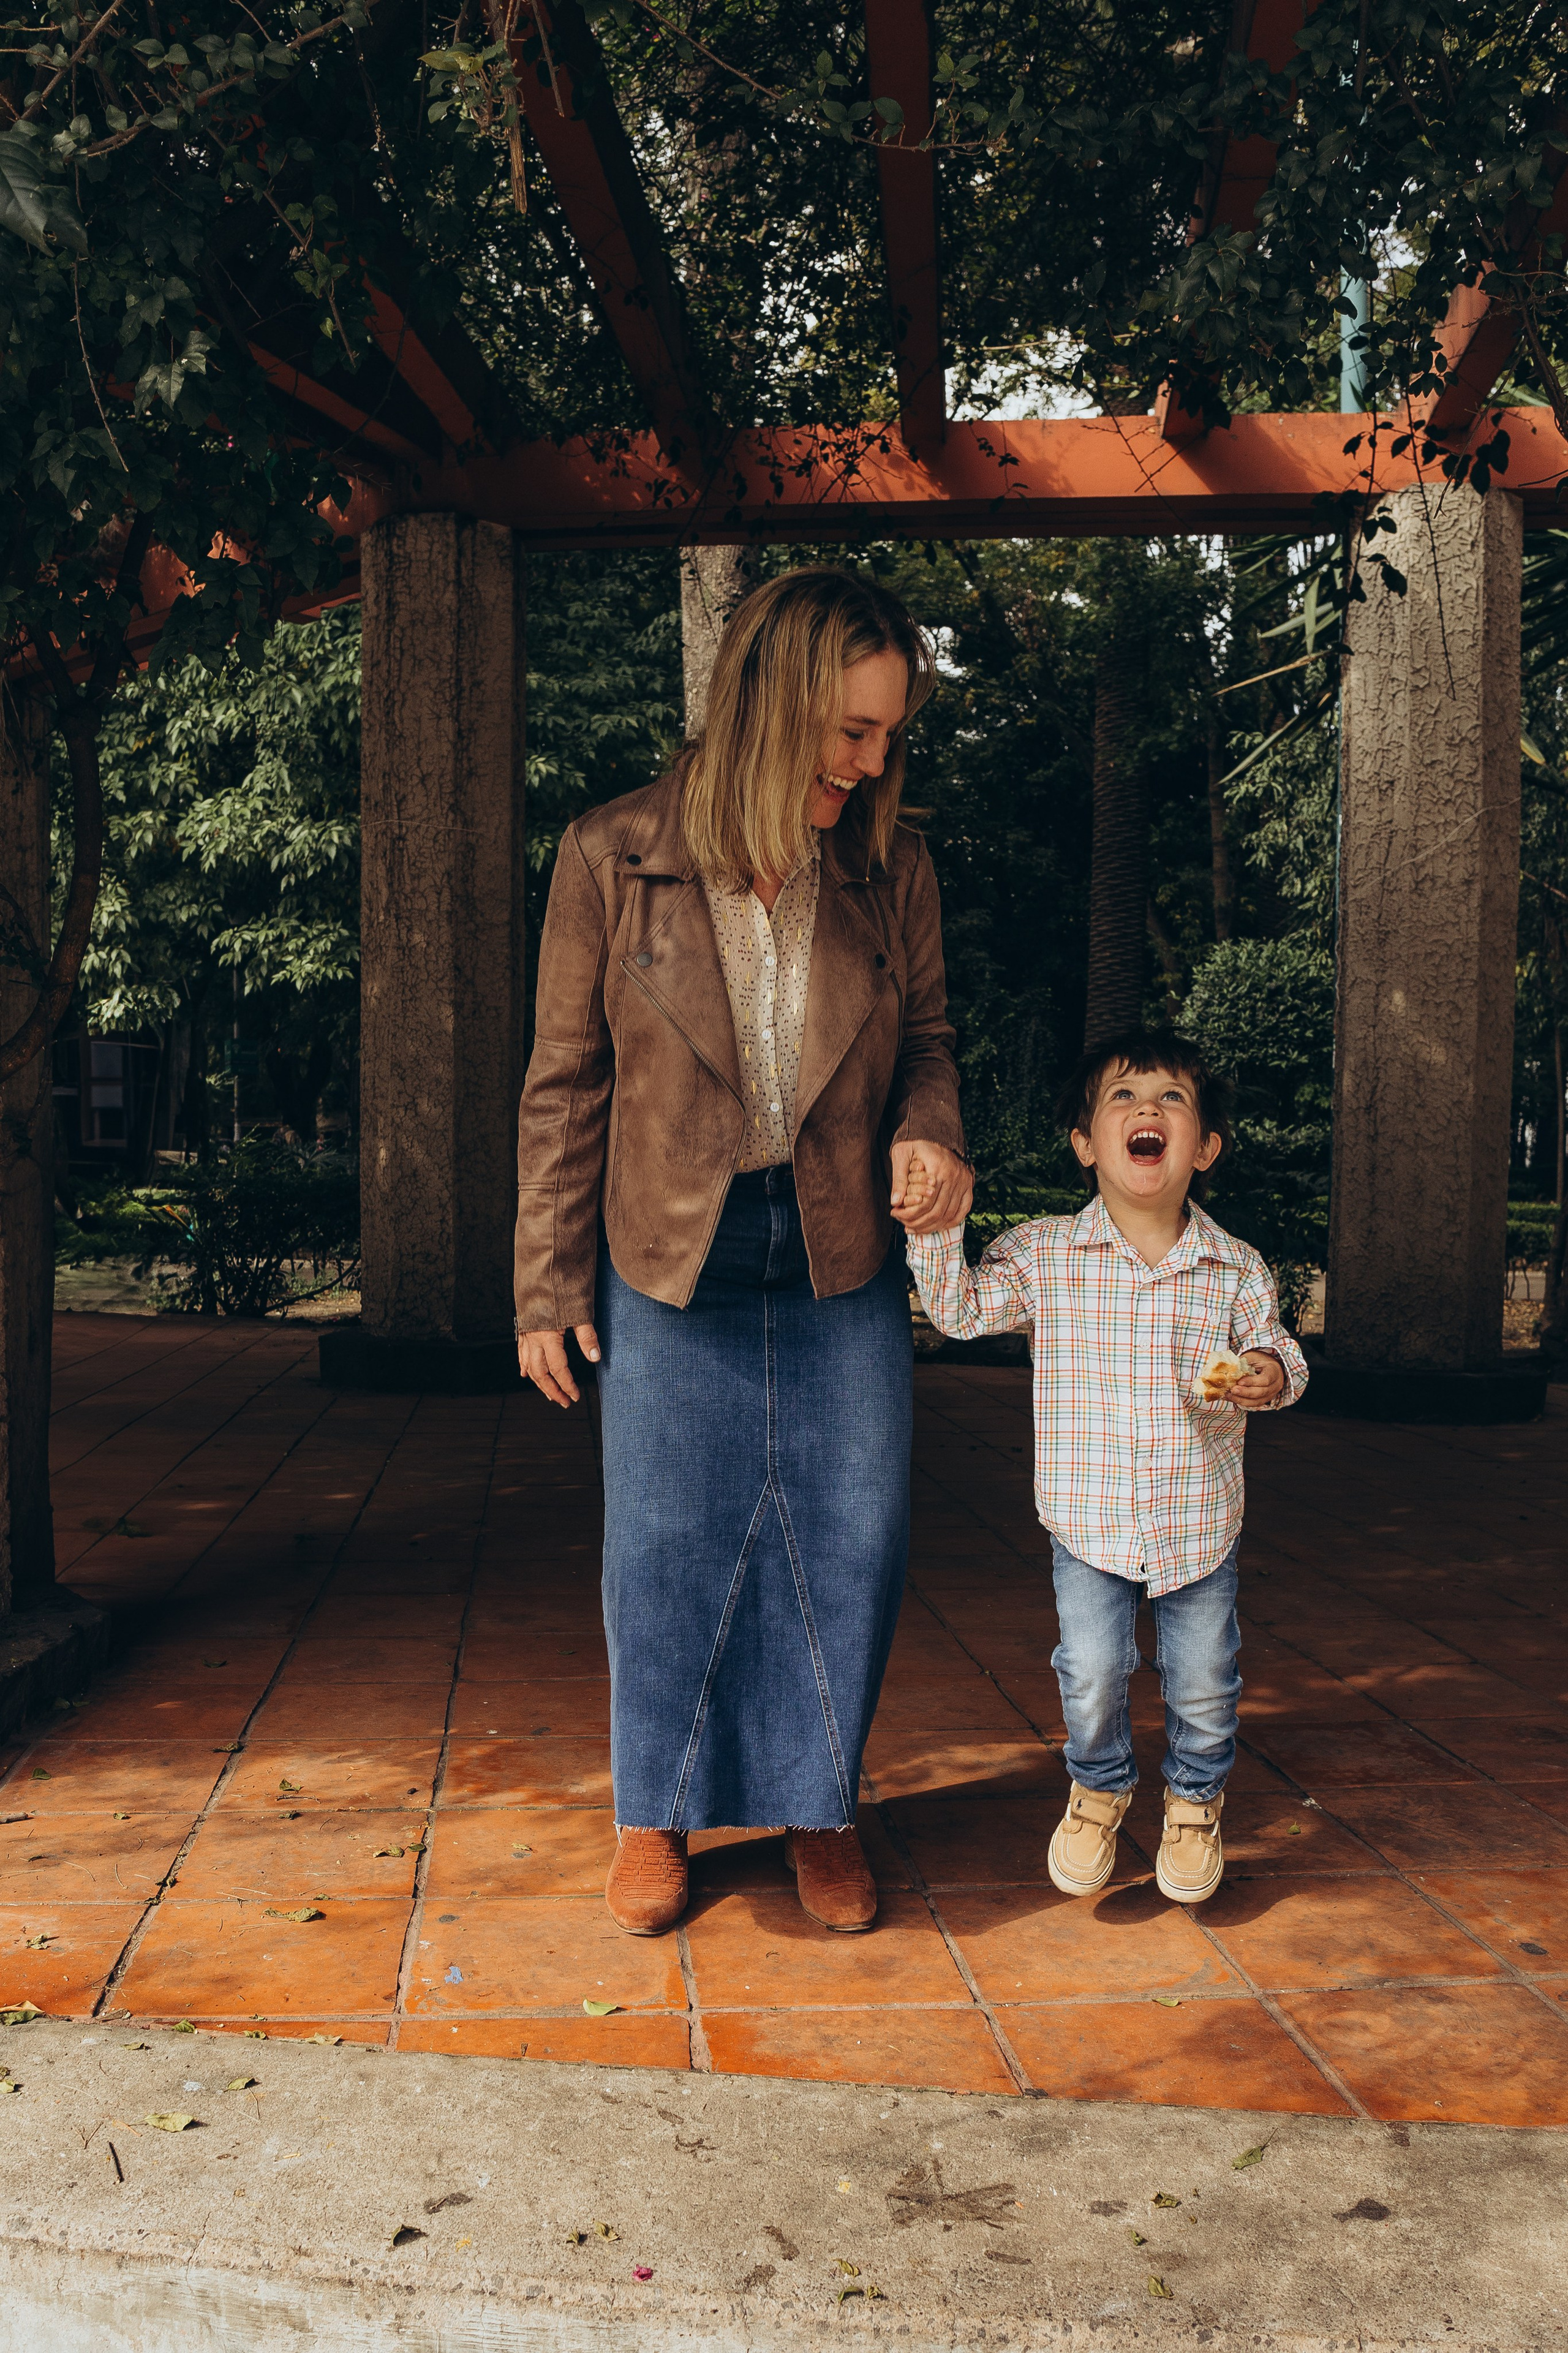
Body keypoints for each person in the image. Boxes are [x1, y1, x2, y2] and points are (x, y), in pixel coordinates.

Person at [513, 567, 971, 1939]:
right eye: (847, 729)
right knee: (664, 1544)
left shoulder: (889, 871)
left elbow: (932, 1046)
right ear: (769, 703)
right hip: (668, 1248)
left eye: (886, 733)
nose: (867, 760)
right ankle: (652, 1812)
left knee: (851, 1534)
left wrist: (932, 1133)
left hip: (838, 1242)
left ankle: (815, 1804)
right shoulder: (609, 856)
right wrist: (545, 1278)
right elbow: (563, 1081)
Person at [903, 1029, 1307, 1907]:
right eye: (1122, 1097)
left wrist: (1267, 1375)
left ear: (1203, 1147)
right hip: (1087, 1524)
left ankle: (1196, 1802)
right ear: (1087, 1141)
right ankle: (1099, 1788)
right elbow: (962, 1311)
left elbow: (1278, 1354)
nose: (1147, 1110)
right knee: (1089, 1669)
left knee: (1204, 1679)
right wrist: (938, 1230)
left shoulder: (1234, 1268)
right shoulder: (1046, 1254)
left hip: (1199, 1521)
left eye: (1170, 1097)